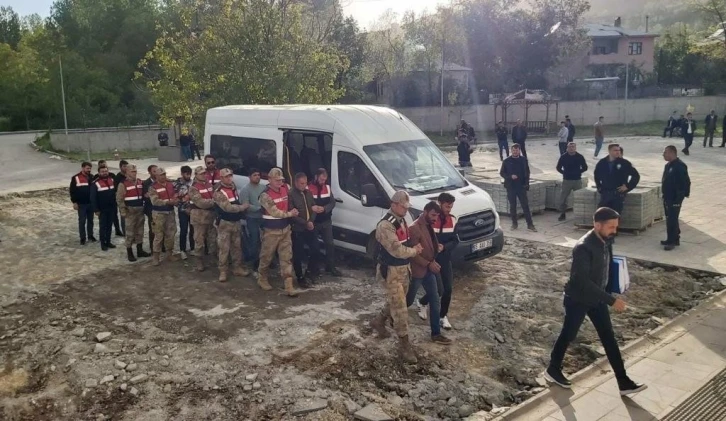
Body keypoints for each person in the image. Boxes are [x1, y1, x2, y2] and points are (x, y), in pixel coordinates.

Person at [545, 207, 647, 397]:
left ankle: (623, 382)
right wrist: (610, 300)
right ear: (596, 225)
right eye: (610, 227)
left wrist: (611, 289)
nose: (614, 231)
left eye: (616, 227)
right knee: (569, 334)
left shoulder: (606, 241)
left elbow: (607, 268)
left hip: (597, 299)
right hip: (578, 299)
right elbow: (581, 281)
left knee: (609, 338)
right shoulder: (583, 247)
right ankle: (553, 369)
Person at [369, 191, 424, 363]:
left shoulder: (401, 220)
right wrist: (415, 251)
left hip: (403, 269)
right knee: (400, 308)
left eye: (407, 207)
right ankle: (404, 346)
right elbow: (396, 250)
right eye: (402, 206)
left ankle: (379, 320)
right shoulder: (386, 225)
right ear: (393, 204)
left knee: (396, 301)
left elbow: (403, 244)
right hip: (391, 270)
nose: (405, 210)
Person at [406, 201, 453, 345]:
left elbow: (428, 246)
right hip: (417, 272)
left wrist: (434, 253)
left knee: (435, 298)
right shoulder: (414, 228)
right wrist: (429, 264)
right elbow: (413, 254)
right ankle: (387, 315)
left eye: (437, 216)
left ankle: (435, 334)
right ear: (425, 211)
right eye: (433, 215)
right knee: (406, 300)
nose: (435, 219)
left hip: (428, 270)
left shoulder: (428, 225)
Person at [417, 192, 458, 330]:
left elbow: (455, 240)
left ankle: (442, 316)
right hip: (431, 259)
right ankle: (422, 303)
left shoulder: (452, 220)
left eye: (451, 207)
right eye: (447, 206)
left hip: (445, 259)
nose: (449, 210)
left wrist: (444, 247)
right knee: (438, 290)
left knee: (448, 289)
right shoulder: (430, 219)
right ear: (440, 204)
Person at [257, 168, 300, 296]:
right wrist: (290, 214)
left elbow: (291, 200)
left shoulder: (285, 188)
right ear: (269, 180)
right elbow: (274, 212)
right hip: (271, 231)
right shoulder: (265, 195)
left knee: (286, 257)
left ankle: (288, 284)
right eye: (276, 180)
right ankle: (262, 278)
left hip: (285, 229)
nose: (279, 182)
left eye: (281, 180)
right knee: (266, 256)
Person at [213, 168, 250, 282]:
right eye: (226, 176)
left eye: (230, 176)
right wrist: (242, 207)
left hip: (236, 222)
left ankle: (237, 267)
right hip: (225, 223)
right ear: (221, 178)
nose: (229, 178)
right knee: (224, 248)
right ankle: (223, 271)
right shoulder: (218, 191)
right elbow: (227, 207)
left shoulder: (233, 187)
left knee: (237, 247)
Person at [288, 172, 320, 288]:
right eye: (301, 183)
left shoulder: (308, 193)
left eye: (305, 183)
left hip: (309, 226)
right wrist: (305, 223)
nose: (304, 185)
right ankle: (300, 277)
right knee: (298, 254)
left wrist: (311, 221)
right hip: (298, 228)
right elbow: (292, 214)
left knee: (316, 250)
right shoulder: (291, 194)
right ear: (296, 182)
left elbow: (313, 207)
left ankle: (310, 272)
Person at [308, 168, 342, 277]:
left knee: (330, 245)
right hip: (314, 222)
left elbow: (332, 202)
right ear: (316, 177)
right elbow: (305, 203)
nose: (323, 181)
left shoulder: (327, 187)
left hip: (326, 221)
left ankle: (330, 267)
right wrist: (313, 208)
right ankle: (315, 269)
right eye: (321, 179)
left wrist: (325, 208)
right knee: (315, 247)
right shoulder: (308, 188)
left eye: (324, 179)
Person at [116, 164, 151, 262]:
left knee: (140, 231)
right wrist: (123, 211)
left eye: (135, 171)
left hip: (140, 211)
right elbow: (119, 199)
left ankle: (140, 250)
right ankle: (130, 252)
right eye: (132, 171)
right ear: (127, 172)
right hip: (130, 212)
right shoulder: (123, 184)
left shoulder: (140, 182)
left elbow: (143, 194)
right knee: (130, 233)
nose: (134, 173)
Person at [500, 144, 537, 232]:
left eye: (517, 150)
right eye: (513, 150)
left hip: (521, 186)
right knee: (513, 206)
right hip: (511, 187)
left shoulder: (523, 160)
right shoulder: (506, 161)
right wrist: (510, 176)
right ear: (511, 150)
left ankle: (530, 224)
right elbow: (502, 173)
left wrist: (526, 184)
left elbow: (527, 172)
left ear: (519, 151)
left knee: (525, 206)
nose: (515, 152)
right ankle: (514, 224)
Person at [594, 144, 640, 214]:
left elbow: (636, 176)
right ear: (609, 151)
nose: (618, 152)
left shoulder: (624, 163)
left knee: (615, 216)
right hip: (605, 193)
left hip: (618, 193)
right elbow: (596, 176)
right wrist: (599, 187)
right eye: (615, 150)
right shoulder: (602, 163)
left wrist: (628, 186)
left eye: (618, 150)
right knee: (602, 215)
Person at [661, 146, 691, 251]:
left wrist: (678, 200)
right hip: (667, 196)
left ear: (672, 153)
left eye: (665, 153)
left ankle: (671, 241)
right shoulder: (668, 165)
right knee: (670, 218)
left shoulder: (680, 166)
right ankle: (675, 238)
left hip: (675, 198)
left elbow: (684, 183)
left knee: (672, 219)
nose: (663, 155)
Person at [148, 167, 179, 265]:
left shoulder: (170, 184)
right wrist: (168, 202)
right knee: (158, 235)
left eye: (164, 174)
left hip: (170, 213)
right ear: (156, 176)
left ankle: (169, 254)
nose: (163, 176)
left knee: (171, 234)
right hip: (159, 214)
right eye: (161, 175)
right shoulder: (153, 187)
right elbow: (155, 201)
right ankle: (156, 257)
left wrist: (176, 199)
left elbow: (175, 194)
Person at [188, 166, 217, 272]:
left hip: (211, 216)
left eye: (204, 173)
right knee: (199, 241)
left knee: (212, 239)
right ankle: (199, 261)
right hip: (199, 218)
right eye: (201, 174)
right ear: (196, 175)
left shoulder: (209, 184)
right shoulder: (193, 188)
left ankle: (213, 257)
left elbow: (215, 195)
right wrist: (214, 202)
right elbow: (200, 203)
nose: (204, 175)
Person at [241, 168, 265, 272]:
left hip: (263, 218)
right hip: (252, 218)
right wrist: (259, 208)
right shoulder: (245, 190)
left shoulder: (263, 187)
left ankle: (266, 260)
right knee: (254, 240)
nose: (257, 177)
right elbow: (245, 205)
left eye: (258, 175)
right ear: (249, 177)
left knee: (266, 240)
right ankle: (255, 262)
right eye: (255, 175)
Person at [556, 142, 588, 221]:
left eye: (573, 147)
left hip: (577, 180)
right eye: (570, 147)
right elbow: (558, 167)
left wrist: (578, 172)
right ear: (567, 148)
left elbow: (585, 167)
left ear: (575, 148)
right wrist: (564, 173)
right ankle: (562, 213)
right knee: (563, 198)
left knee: (579, 198)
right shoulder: (563, 157)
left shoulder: (580, 157)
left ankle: (579, 214)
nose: (571, 148)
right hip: (567, 180)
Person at [90, 166, 117, 251]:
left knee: (109, 226)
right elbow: (93, 198)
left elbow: (115, 193)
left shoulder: (112, 180)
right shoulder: (95, 183)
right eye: (102, 171)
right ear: (99, 173)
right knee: (103, 227)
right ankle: (103, 243)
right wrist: (96, 210)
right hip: (102, 209)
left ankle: (108, 242)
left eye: (106, 171)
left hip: (111, 208)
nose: (105, 173)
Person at [70, 162, 96, 245]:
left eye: (90, 168)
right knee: (82, 221)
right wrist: (74, 202)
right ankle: (82, 238)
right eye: (87, 168)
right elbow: (72, 191)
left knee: (91, 221)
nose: (89, 170)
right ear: (83, 168)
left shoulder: (92, 177)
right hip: (81, 204)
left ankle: (90, 236)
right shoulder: (75, 178)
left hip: (90, 203)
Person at [96, 160, 124, 237]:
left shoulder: (112, 176)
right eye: (101, 165)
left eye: (105, 165)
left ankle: (117, 230)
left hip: (112, 202)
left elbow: (115, 187)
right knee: (103, 221)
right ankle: (103, 236)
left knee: (115, 217)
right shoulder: (96, 178)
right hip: (102, 204)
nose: (103, 167)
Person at [174, 166, 195, 260]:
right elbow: (175, 199)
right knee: (183, 230)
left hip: (192, 210)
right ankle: (182, 250)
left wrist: (191, 208)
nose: (188, 175)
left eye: (190, 173)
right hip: (182, 211)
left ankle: (193, 248)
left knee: (193, 230)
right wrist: (184, 209)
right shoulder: (176, 184)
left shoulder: (193, 183)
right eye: (186, 173)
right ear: (182, 173)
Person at [142, 165, 159, 252]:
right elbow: (146, 196)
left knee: (161, 228)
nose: (156, 173)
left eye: (157, 170)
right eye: (154, 171)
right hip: (150, 209)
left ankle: (161, 246)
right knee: (152, 228)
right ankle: (153, 248)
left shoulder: (161, 181)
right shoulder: (146, 183)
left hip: (160, 208)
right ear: (149, 172)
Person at [114, 160, 129, 235]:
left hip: (130, 200)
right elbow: (116, 191)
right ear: (120, 167)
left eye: (127, 166)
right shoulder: (117, 177)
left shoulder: (129, 175)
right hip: (122, 200)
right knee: (123, 217)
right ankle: (125, 233)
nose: (126, 168)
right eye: (124, 166)